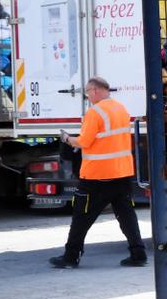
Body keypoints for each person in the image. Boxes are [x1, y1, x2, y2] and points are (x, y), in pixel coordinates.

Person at [49, 77, 147, 269]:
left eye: (87, 92)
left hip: (97, 176)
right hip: (122, 173)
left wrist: (67, 138)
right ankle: (138, 254)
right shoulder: (121, 109)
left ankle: (71, 257)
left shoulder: (94, 113)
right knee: (126, 215)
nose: (87, 96)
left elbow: (83, 142)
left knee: (81, 216)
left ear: (95, 90)